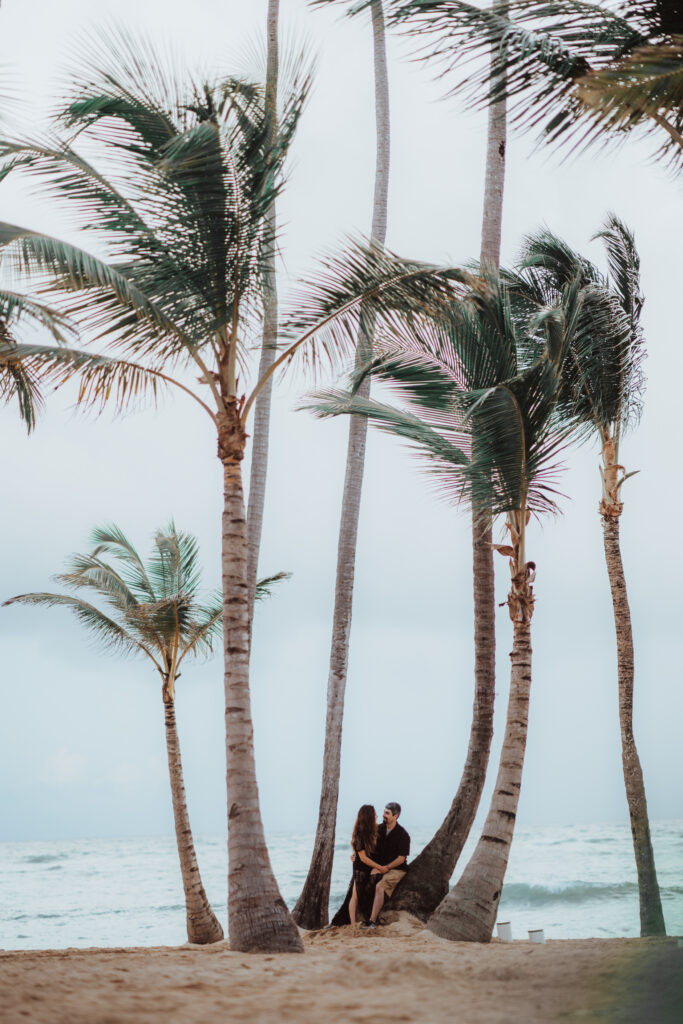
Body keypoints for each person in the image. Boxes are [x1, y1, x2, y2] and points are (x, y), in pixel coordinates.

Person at [363, 801, 410, 929]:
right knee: (360, 878)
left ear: (396, 816)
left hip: (396, 869)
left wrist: (385, 869)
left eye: (387, 813)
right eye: (384, 812)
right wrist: (356, 856)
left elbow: (401, 859)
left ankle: (372, 922)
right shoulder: (378, 829)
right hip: (380, 866)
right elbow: (367, 847)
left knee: (380, 887)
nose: (383, 815)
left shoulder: (403, 835)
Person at [348, 804, 387, 925]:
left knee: (368, 892)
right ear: (369, 816)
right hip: (361, 867)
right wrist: (379, 867)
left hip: (370, 866)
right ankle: (353, 923)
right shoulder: (360, 833)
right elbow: (363, 858)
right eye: (374, 813)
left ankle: (368, 918)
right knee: (355, 895)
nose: (376, 815)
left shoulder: (376, 829)